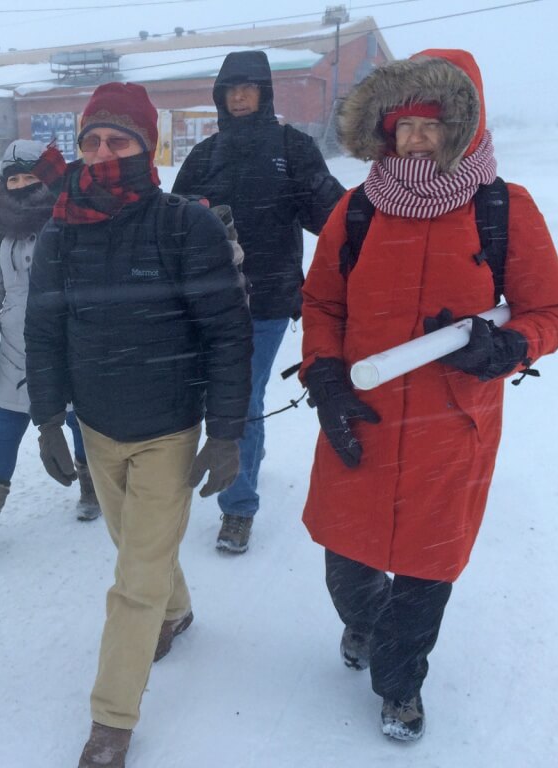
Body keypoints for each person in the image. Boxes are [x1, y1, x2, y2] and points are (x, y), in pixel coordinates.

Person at [299, 49, 558, 742]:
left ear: (465, 128)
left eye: (434, 123)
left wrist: (512, 346)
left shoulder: (503, 208)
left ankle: (399, 686)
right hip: (361, 412)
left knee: (427, 565)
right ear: (384, 131)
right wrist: (324, 375)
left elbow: (551, 309)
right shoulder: (357, 210)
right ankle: (365, 622)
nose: (416, 136)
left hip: (452, 426)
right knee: (346, 556)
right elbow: (323, 303)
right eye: (404, 124)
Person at [25, 82, 252, 767]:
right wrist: (45, 419)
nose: (101, 153)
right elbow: (43, 332)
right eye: (91, 141)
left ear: (145, 146)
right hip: (97, 426)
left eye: (117, 141)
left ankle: (112, 720)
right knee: (138, 551)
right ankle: (175, 613)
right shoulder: (60, 231)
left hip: (169, 428)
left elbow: (227, 334)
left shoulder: (186, 225)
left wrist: (226, 431)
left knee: (134, 579)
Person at [172, 50, 345, 554]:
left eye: (250, 88)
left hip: (268, 299)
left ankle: (238, 507)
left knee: (241, 399)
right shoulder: (203, 156)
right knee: (218, 397)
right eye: (231, 89)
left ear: (265, 93)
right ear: (220, 96)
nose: (240, 97)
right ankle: (236, 470)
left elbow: (334, 218)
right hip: (206, 302)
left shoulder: (292, 148)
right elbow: (173, 224)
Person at [0, 140, 99, 548]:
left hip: (63, 342)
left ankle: (92, 489)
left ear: (46, 178)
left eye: (29, 176)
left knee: (75, 421)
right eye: (12, 178)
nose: (20, 185)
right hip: (16, 349)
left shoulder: (68, 219)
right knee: (8, 428)